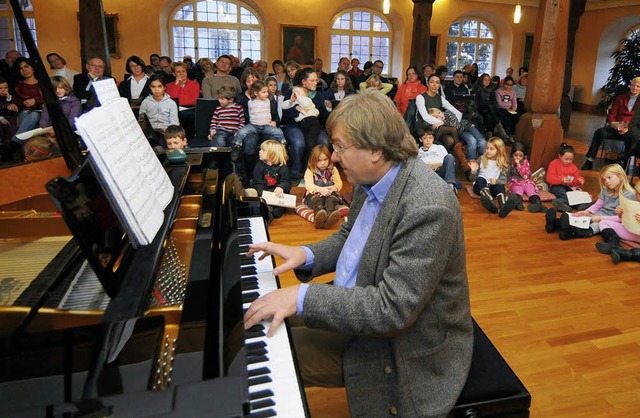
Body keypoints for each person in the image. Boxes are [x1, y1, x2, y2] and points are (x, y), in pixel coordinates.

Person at [243, 91, 473, 417]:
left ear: (376, 150)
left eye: (339, 147)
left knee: (256, 350)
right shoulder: (374, 177)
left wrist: (301, 297)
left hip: (406, 347)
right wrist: (305, 253)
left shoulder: (427, 204)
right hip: (359, 303)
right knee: (256, 321)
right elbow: (353, 235)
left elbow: (392, 310)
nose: (334, 157)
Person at [550, 163, 635, 240]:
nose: (607, 182)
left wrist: (600, 218)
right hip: (599, 214)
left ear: (620, 176)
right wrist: (587, 212)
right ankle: (555, 223)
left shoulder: (629, 195)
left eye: (609, 178)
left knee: (594, 225)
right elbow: (598, 204)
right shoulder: (606, 189)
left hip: (611, 219)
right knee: (580, 217)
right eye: (604, 180)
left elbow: (623, 218)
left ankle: (572, 232)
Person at [282, 67, 333, 179]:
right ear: (303, 82)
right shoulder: (292, 93)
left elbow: (323, 115)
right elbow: (285, 115)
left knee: (323, 141)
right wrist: (296, 109)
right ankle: (296, 173)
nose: (316, 82)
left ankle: (318, 172)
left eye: (316, 80)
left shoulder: (318, 95)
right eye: (312, 80)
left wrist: (331, 117)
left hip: (313, 126)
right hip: (295, 125)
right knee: (298, 143)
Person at [581, 77, 640, 170]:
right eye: (633, 85)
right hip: (617, 125)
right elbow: (612, 115)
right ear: (630, 85)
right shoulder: (621, 98)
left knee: (632, 138)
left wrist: (628, 128)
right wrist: (617, 126)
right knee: (599, 132)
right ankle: (590, 160)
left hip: (631, 127)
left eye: (638, 86)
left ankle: (624, 164)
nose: (635, 88)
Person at [416, 74, 470, 174]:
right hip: (426, 127)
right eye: (432, 82)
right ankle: (462, 160)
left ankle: (445, 165)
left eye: (437, 83)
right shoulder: (421, 97)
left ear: (439, 85)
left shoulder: (440, 98)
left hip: (440, 127)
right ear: (428, 84)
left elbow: (457, 112)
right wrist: (440, 122)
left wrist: (451, 123)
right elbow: (425, 117)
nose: (434, 85)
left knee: (450, 140)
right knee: (453, 130)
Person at [469, 137, 516, 218]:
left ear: (499, 150)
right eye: (487, 148)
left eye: (491, 149)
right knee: (480, 179)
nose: (488, 151)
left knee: (499, 186)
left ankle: (503, 207)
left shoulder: (503, 162)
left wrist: (496, 181)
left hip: (493, 187)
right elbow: (472, 179)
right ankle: (489, 201)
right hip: (480, 188)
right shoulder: (481, 159)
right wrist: (473, 171)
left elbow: (504, 180)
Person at [234, 80, 285, 154]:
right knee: (241, 132)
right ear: (256, 93)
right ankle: (237, 145)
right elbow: (249, 112)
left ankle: (283, 143)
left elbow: (273, 113)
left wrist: (274, 122)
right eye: (264, 92)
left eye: (267, 92)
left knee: (278, 131)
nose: (267, 94)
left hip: (266, 125)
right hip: (253, 126)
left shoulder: (268, 101)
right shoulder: (250, 102)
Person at [596, 181, 640, 263]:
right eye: (637, 193)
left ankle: (623, 254)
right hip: (632, 232)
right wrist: (621, 214)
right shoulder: (634, 203)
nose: (638, 196)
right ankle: (614, 245)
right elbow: (624, 220)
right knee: (603, 223)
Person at [303, 144, 343, 229]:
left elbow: (339, 183)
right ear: (313, 160)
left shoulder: (333, 169)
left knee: (329, 183)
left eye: (325, 159)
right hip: (314, 197)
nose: (322, 163)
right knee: (320, 182)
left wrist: (332, 188)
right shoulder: (310, 170)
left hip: (329, 195)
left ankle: (329, 214)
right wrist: (320, 190)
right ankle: (319, 214)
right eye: (319, 160)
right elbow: (309, 185)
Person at [252, 139, 291, 219]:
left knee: (282, 198)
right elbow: (258, 182)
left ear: (272, 154)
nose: (259, 152)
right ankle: (269, 211)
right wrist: (262, 194)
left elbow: (286, 182)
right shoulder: (259, 166)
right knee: (262, 202)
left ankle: (278, 209)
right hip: (264, 193)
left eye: (263, 150)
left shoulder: (283, 168)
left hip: (278, 193)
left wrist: (281, 187)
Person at [545, 143, 587, 214]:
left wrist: (579, 180)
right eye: (566, 159)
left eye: (571, 159)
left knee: (572, 194)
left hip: (567, 186)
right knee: (563, 194)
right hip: (555, 186)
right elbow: (549, 179)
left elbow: (575, 179)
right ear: (559, 156)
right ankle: (561, 203)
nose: (568, 161)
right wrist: (561, 180)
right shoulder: (554, 164)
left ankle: (578, 205)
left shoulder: (573, 166)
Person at [139, 74, 179, 146]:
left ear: (164, 88)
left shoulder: (171, 103)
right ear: (150, 87)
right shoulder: (145, 102)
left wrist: (167, 131)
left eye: (159, 86)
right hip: (150, 133)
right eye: (153, 86)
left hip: (166, 133)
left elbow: (174, 123)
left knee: (161, 143)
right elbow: (142, 121)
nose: (156, 89)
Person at [12, 57, 44, 143]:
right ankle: (20, 144)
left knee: (34, 114)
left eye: (26, 66)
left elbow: (48, 97)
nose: (24, 70)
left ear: (32, 68)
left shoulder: (43, 83)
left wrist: (35, 100)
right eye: (21, 68)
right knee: (25, 113)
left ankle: (15, 142)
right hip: (25, 112)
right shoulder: (18, 85)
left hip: (42, 112)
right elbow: (16, 101)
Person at [508, 142, 546, 213]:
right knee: (518, 192)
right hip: (515, 182)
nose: (518, 157)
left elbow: (525, 175)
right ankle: (518, 204)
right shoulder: (510, 162)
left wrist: (519, 165)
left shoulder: (525, 162)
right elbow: (508, 173)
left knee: (531, 191)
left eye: (520, 156)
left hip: (526, 181)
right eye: (515, 155)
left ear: (524, 156)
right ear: (512, 154)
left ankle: (538, 204)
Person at [416, 128, 457, 194]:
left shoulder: (440, 148)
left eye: (430, 138)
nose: (428, 140)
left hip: (440, 172)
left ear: (433, 139)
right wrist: (427, 167)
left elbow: (450, 164)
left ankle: (450, 187)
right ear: (421, 140)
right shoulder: (417, 152)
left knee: (449, 157)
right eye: (425, 138)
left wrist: (436, 165)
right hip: (427, 175)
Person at [282, 85, 321, 152]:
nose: (295, 93)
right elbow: (283, 106)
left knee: (311, 140)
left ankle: (311, 149)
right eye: (293, 92)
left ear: (305, 94)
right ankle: (307, 152)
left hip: (312, 121)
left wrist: (299, 98)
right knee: (305, 140)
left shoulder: (307, 99)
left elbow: (305, 105)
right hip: (302, 122)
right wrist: (290, 101)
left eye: (298, 92)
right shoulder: (294, 102)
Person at [165, 61, 200, 138]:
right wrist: (176, 84)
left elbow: (193, 101)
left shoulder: (195, 84)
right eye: (178, 72)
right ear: (174, 74)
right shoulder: (169, 86)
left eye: (183, 71)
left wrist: (180, 102)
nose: (181, 73)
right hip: (174, 111)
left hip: (191, 110)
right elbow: (172, 100)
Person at [208, 84, 244, 155]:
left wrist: (239, 131)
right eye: (219, 98)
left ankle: (234, 159)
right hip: (221, 130)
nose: (219, 100)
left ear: (230, 100)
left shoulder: (238, 108)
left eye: (222, 99)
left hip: (234, 132)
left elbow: (242, 121)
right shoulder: (218, 109)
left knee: (236, 143)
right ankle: (222, 156)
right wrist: (212, 130)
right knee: (219, 140)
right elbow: (214, 121)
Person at [0, 77, 20, 164]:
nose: (3, 90)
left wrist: (9, 98)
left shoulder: (10, 96)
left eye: (5, 87)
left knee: (11, 128)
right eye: (0, 88)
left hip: (9, 118)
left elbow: (19, 104)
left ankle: (10, 149)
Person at [494, 75, 519, 142]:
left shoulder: (513, 92)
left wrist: (514, 108)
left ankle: (511, 134)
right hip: (501, 108)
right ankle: (505, 134)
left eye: (510, 85)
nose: (508, 86)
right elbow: (499, 103)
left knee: (516, 117)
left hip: (510, 109)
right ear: (504, 83)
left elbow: (514, 102)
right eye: (507, 84)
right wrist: (507, 108)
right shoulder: (498, 91)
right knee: (506, 117)